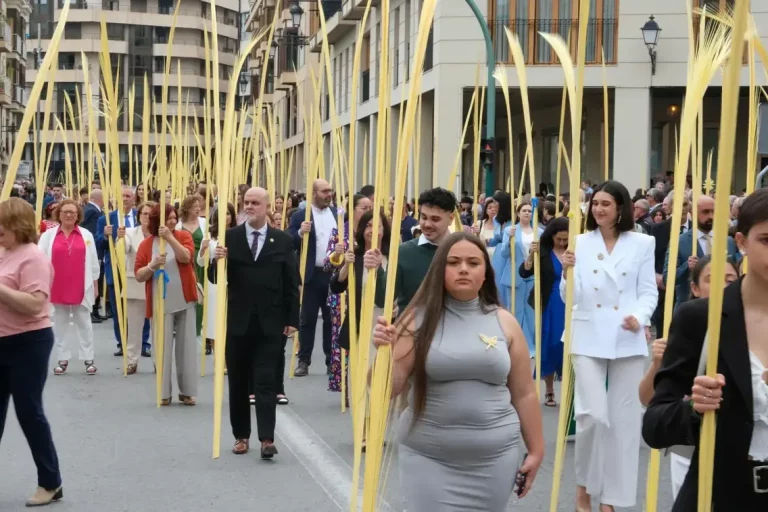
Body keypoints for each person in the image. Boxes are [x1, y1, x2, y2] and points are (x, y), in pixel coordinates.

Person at [371, 232, 545, 511]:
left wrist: (536, 450)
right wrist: (383, 353)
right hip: (428, 458)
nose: (463, 268)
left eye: (473, 263)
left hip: (495, 459)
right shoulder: (415, 321)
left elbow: (524, 393)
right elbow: (386, 390)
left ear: (486, 273)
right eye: (453, 262)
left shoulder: (506, 323)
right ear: (440, 270)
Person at [643, 189, 768, 510]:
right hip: (721, 495)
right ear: (740, 242)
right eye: (766, 240)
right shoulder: (701, 318)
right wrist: (694, 407)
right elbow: (655, 424)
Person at [561, 180, 658, 512]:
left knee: (625, 421)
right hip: (586, 335)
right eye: (595, 203)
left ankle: (613, 501)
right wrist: (565, 273)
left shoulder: (643, 243)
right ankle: (585, 488)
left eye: (605, 203)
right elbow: (569, 297)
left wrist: (639, 316)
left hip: (625, 336)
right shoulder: (580, 243)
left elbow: (648, 292)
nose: (598, 209)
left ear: (621, 208)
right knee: (592, 416)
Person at [638, 254, 739, 500]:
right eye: (712, 280)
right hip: (689, 448)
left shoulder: (748, 328)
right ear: (694, 288)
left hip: (736, 448)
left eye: (730, 280)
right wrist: (658, 363)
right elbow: (647, 399)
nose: (723, 287)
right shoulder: (685, 329)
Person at [211, 187, 300, 459]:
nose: (249, 207)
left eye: (255, 203)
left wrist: (291, 319)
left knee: (265, 382)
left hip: (270, 322)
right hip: (237, 321)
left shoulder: (282, 240)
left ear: (266, 206)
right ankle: (241, 436)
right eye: (246, 202)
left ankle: (267, 438)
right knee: (238, 381)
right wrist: (215, 261)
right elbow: (216, 278)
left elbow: (291, 282)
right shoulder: (230, 238)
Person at [0, 198, 63, 507]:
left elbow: (35, 304)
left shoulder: (33, 257)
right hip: (1, 340)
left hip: (29, 342)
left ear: (18, 227)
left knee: (29, 413)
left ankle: (50, 483)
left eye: (2, 230)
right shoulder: (4, 253)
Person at [134, 203, 198, 406]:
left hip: (184, 298)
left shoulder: (183, 236)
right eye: (167, 218)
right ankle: (163, 391)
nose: (172, 221)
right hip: (160, 302)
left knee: (186, 347)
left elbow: (186, 257)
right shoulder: (146, 245)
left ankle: (187, 391)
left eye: (174, 218)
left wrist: (170, 237)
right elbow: (139, 275)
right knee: (162, 347)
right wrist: (152, 265)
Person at [329, 209, 389, 406]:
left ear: (384, 229)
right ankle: (361, 426)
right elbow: (337, 286)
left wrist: (379, 266)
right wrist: (346, 266)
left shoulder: (394, 256)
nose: (372, 230)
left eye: (377, 226)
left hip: (384, 322)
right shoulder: (355, 256)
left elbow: (388, 295)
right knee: (359, 377)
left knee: (382, 375)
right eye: (368, 225)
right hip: (359, 322)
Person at [38, 199, 100, 376]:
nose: (68, 215)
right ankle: (62, 358)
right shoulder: (48, 236)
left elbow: (94, 263)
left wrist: (95, 286)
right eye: (65, 211)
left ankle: (88, 359)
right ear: (59, 214)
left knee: (84, 322)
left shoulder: (86, 234)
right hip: (57, 284)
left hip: (81, 283)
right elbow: (40, 261)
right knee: (59, 323)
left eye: (72, 212)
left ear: (78, 215)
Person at [371, 187, 457, 315]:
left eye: (435, 219)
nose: (427, 224)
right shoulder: (404, 252)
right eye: (424, 217)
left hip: (452, 328)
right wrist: (376, 269)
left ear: (451, 218)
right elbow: (383, 300)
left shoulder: (461, 251)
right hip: (411, 331)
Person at [323, 193, 372, 393]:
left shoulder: (374, 233)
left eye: (371, 208)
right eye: (364, 208)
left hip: (365, 293)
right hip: (342, 293)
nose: (368, 212)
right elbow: (327, 265)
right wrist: (337, 253)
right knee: (342, 340)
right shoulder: (340, 232)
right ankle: (344, 383)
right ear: (352, 210)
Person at [288, 179, 337, 377]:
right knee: (307, 319)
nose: (329, 194)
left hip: (333, 274)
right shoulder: (301, 215)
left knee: (330, 319)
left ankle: (330, 361)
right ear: (314, 193)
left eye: (330, 191)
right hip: (311, 274)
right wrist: (300, 232)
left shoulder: (337, 214)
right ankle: (303, 359)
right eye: (325, 191)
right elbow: (289, 240)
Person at [519, 217, 569, 406]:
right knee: (550, 344)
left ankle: (568, 388)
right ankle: (549, 390)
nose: (563, 243)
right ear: (552, 236)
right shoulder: (543, 251)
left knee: (567, 345)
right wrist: (531, 255)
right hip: (549, 301)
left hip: (571, 301)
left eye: (566, 239)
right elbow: (524, 273)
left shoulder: (575, 251)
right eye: (559, 240)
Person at [664, 195, 739, 309]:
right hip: (689, 311)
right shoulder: (679, 242)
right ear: (693, 213)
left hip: (723, 309)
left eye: (713, 212)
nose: (710, 216)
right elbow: (667, 279)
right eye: (705, 212)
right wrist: (686, 267)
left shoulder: (727, 241)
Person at [96, 185, 143, 357]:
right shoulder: (106, 219)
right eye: (122, 196)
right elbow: (99, 245)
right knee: (118, 308)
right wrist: (105, 235)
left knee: (140, 307)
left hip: (137, 268)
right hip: (115, 268)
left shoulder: (141, 217)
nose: (125, 199)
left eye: (128, 196)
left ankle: (142, 343)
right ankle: (122, 343)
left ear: (134, 198)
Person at [197, 203, 236, 356]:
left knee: (231, 320)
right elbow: (201, 262)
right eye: (222, 213)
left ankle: (231, 355)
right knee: (215, 321)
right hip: (215, 282)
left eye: (228, 213)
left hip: (234, 282)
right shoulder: (209, 237)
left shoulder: (238, 235)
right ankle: (219, 357)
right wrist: (203, 250)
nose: (225, 217)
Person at [122, 201, 156, 374]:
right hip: (136, 284)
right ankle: (131, 361)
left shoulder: (161, 235)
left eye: (151, 214)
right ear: (139, 216)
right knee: (134, 326)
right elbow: (124, 248)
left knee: (158, 327)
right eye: (144, 214)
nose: (147, 218)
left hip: (157, 284)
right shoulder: (129, 233)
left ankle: (159, 361)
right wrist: (119, 238)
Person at [176, 194, 207, 340]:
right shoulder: (178, 224)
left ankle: (198, 325)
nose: (198, 208)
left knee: (200, 292)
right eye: (195, 206)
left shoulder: (204, 223)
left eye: (199, 206)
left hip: (200, 261)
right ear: (187, 208)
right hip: (184, 262)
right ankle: (183, 324)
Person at [80, 189, 105, 323]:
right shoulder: (92, 211)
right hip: (94, 249)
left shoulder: (88, 209)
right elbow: (92, 232)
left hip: (92, 249)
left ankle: (94, 310)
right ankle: (93, 310)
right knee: (96, 278)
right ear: (98, 198)